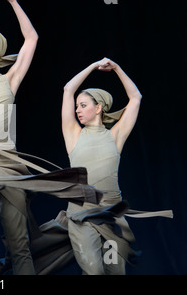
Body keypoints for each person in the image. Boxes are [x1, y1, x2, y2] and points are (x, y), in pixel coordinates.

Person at [0, 0, 103, 275]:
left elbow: (31, 38)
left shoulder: (10, 79)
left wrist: (14, 1)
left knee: (19, 240)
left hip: (7, 161)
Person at [61, 57, 172, 274]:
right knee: (94, 269)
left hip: (111, 216)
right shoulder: (73, 134)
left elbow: (135, 97)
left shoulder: (115, 136)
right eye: (77, 106)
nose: (78, 110)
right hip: (81, 216)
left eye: (83, 105)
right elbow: (68, 89)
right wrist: (93, 66)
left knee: (114, 271)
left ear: (99, 107)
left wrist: (117, 69)